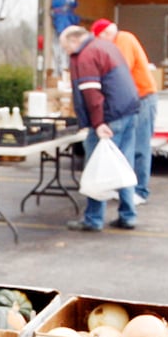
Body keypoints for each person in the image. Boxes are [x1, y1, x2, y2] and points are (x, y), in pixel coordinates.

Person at [58, 24, 141, 231]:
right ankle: (128, 215)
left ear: (74, 41)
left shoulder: (86, 55)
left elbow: (92, 94)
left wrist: (98, 123)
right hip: (128, 111)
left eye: (65, 48)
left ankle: (93, 218)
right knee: (124, 164)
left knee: (97, 166)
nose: (65, 52)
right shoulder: (106, 46)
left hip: (109, 117)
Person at [90, 18, 158, 203]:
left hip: (143, 98)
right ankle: (126, 190)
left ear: (105, 34)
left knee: (140, 147)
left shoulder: (124, 40)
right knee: (128, 148)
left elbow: (119, 71)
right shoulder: (119, 41)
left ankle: (140, 191)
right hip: (132, 100)